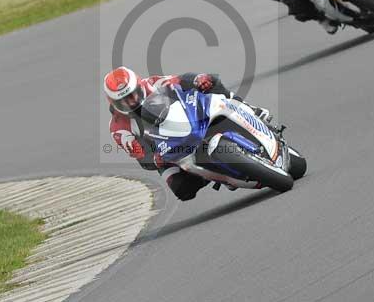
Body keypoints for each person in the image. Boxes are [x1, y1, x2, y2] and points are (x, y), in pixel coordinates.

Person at [104, 66, 269, 201]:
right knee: (182, 189)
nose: (130, 102)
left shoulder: (153, 83)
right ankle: (216, 174)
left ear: (139, 86)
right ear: (113, 102)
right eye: (123, 101)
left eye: (132, 95)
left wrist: (199, 80)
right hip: (166, 151)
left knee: (211, 82)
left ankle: (248, 109)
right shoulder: (118, 128)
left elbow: (182, 79)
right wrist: (156, 159)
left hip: (185, 120)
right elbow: (141, 156)